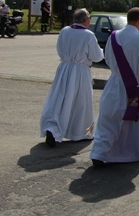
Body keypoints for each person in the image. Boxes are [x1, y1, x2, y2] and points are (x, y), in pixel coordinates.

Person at [90, 7, 139, 167]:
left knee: (110, 118)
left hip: (114, 82)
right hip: (136, 85)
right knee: (137, 121)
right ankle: (137, 152)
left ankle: (100, 152)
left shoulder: (113, 37)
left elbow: (107, 59)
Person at [40, 9, 104, 147]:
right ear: (85, 20)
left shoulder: (64, 31)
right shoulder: (88, 35)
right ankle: (80, 132)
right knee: (81, 102)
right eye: (89, 19)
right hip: (80, 71)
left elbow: (59, 48)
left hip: (64, 69)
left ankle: (53, 128)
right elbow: (97, 56)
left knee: (60, 99)